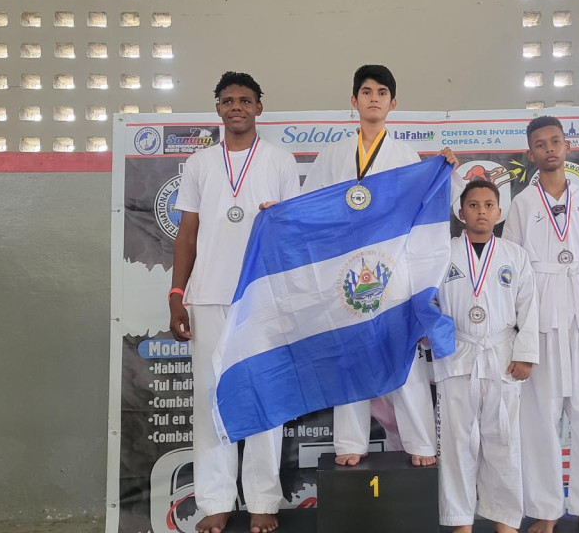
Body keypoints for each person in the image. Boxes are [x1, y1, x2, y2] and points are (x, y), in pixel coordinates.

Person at [303, 64, 462, 468]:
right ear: (353, 100)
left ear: (393, 104)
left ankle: (420, 441)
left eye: (382, 93)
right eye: (366, 91)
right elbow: (310, 206)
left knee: (401, 354)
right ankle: (349, 442)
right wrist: (279, 215)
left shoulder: (406, 156)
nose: (373, 98)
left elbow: (425, 207)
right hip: (344, 270)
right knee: (350, 355)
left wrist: (445, 170)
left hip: (392, 269)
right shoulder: (332, 155)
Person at [169, 72, 300, 533]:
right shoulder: (199, 163)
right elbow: (187, 234)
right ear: (218, 109)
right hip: (207, 295)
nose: (236, 107)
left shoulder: (280, 161)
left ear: (259, 107)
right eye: (228, 101)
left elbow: (293, 231)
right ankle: (216, 500)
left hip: (262, 297)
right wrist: (176, 295)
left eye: (245, 100)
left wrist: (276, 222)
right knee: (212, 400)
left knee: (265, 395)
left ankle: (263, 498)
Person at [502, 116, 579, 533]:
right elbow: (514, 269)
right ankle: (546, 509)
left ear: (566, 146)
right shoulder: (522, 204)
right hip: (539, 316)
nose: (549, 149)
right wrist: (517, 330)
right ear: (531, 153)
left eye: (555, 141)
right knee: (540, 416)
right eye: (540, 144)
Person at [432, 179, 539, 533]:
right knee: (457, 444)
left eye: (488, 205)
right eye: (473, 205)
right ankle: (460, 523)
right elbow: (426, 299)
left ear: (499, 212)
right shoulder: (443, 252)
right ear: (461, 213)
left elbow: (529, 307)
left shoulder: (514, 255)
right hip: (457, 354)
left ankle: (505, 522)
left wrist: (526, 354)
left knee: (503, 442)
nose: (481, 211)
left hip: (502, 356)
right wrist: (433, 333)